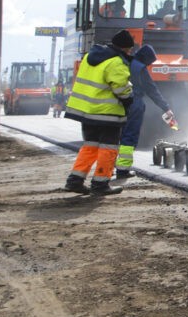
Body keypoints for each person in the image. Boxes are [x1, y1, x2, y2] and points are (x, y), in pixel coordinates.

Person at [62, 30, 135, 196]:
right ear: (124, 48)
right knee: (108, 149)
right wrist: (129, 97)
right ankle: (101, 184)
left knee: (90, 146)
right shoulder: (116, 62)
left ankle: (75, 180)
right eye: (129, 49)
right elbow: (121, 88)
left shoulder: (89, 56)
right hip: (107, 113)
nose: (130, 52)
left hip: (87, 112)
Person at [115, 44, 176, 179]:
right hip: (134, 104)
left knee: (115, 136)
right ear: (146, 58)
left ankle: (106, 169)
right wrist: (166, 107)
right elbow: (152, 90)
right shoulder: (140, 68)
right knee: (129, 137)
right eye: (149, 62)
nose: (149, 65)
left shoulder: (125, 62)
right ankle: (122, 170)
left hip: (118, 103)